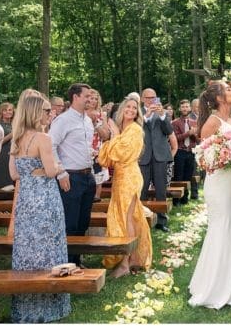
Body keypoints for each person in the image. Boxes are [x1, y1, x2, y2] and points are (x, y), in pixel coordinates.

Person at [188, 81, 231, 308]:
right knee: (221, 227)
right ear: (219, 99)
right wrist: (222, 157)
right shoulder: (212, 122)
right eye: (229, 90)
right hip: (220, 183)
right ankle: (214, 285)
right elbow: (202, 158)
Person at [9, 95, 70, 323]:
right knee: (49, 244)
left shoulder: (17, 138)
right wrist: (57, 166)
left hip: (26, 197)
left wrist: (32, 171)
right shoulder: (42, 138)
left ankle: (26, 307)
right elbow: (52, 171)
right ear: (35, 113)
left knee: (27, 246)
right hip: (45, 197)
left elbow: (15, 174)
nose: (49, 114)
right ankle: (49, 307)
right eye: (46, 111)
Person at [100, 98, 151, 277]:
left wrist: (114, 134)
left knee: (127, 218)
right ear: (122, 109)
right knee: (124, 217)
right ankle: (131, 259)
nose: (130, 110)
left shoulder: (135, 130)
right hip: (120, 178)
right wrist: (113, 132)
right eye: (128, 107)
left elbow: (120, 154)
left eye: (134, 108)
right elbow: (107, 157)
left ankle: (125, 262)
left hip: (130, 177)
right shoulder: (122, 129)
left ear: (138, 113)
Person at [50, 83, 96, 267]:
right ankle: (66, 262)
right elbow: (51, 146)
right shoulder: (63, 120)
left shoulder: (88, 120)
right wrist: (60, 172)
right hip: (71, 177)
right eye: (87, 96)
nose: (90, 99)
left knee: (83, 221)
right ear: (75, 97)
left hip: (87, 175)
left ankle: (76, 260)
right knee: (70, 223)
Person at [139, 88, 174, 232]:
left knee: (161, 189)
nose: (151, 100)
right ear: (142, 98)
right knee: (141, 189)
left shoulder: (163, 113)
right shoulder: (137, 112)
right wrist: (146, 116)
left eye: (153, 97)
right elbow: (135, 129)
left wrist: (161, 116)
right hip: (143, 155)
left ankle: (161, 220)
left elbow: (169, 131)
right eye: (148, 98)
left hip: (160, 155)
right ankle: (140, 219)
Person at [172, 100, 198, 205]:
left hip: (191, 152)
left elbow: (198, 140)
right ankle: (176, 199)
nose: (185, 109)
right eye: (183, 107)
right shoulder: (175, 123)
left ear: (190, 108)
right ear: (179, 109)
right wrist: (188, 133)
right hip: (180, 152)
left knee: (188, 176)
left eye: (187, 107)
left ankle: (184, 199)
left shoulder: (195, 122)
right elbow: (175, 138)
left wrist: (193, 134)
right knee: (178, 176)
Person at [0, 102, 15, 189]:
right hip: (2, 155)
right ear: (1, 112)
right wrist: (11, 135)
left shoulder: (15, 124)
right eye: (5, 110)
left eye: (10, 110)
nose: (8, 112)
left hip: (13, 154)